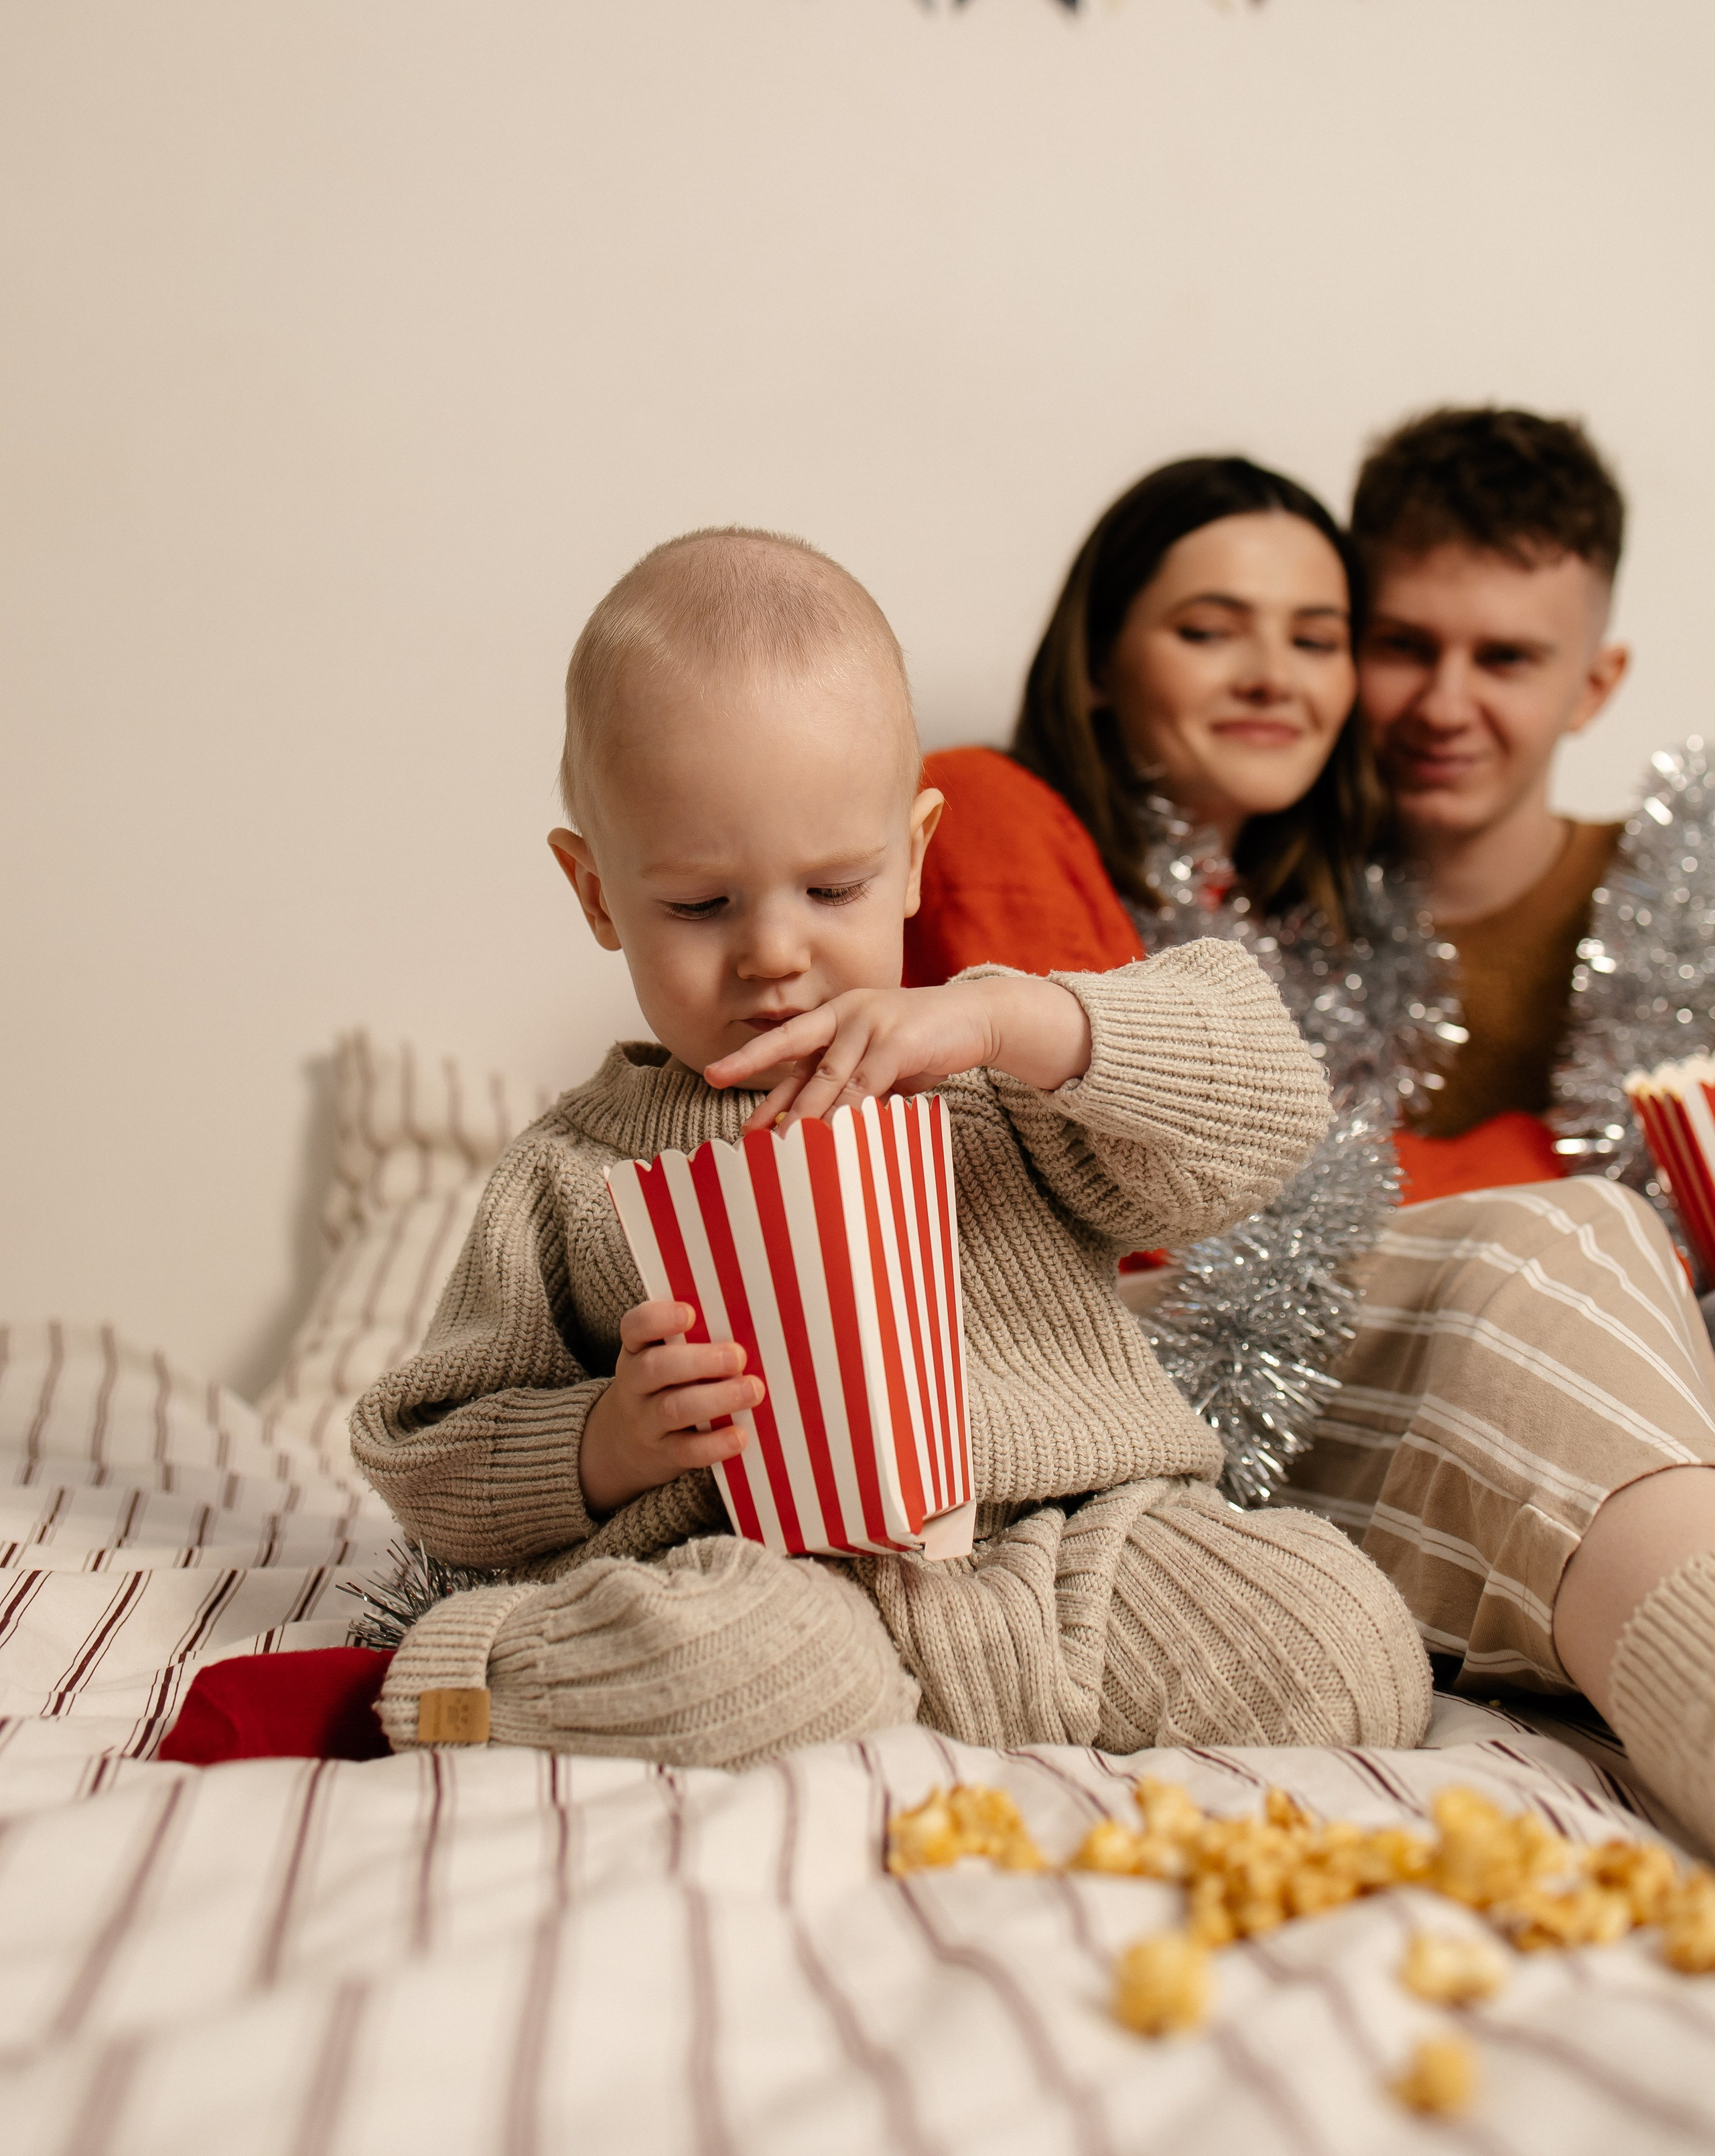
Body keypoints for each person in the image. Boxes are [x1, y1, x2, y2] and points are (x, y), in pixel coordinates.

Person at [348, 527, 1433, 1771]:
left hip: (1078, 1551)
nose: (773, 953)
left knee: (1349, 1642)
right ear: (596, 894)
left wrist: (1017, 1017)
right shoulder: (570, 1174)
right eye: (701, 905)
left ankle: (997, 1706)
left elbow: (1269, 1104)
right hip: (782, 1590)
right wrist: (605, 1440)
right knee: (760, 1670)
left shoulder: (990, 1074)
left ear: (914, 859)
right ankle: (461, 1683)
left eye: (833, 889)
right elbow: (428, 1450)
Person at [905, 455, 1715, 1854]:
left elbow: (1325, 1191)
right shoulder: (982, 804)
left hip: (1237, 1358)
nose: (1272, 675)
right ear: (1097, 665)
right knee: (1564, 1236)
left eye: (1315, 637)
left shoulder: (1294, 927)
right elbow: (1155, 1200)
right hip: (1081, 1368)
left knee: (1570, 1253)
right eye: (1209, 628)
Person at [1351, 407, 1630, 1147]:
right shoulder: (1242, 915)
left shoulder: (1679, 915)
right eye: (1403, 646)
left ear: (1594, 687)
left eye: (1504, 658)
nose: (1443, 708)